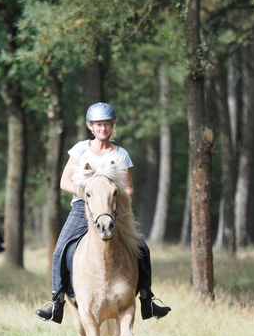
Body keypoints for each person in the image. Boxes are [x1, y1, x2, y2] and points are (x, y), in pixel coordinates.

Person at [35, 102, 171, 324]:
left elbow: (128, 189)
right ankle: (56, 301)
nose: (103, 129)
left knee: (142, 247)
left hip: (113, 209)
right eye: (98, 124)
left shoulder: (121, 154)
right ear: (91, 126)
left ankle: (148, 299)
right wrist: (88, 191)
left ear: (112, 126)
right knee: (60, 249)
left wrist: (111, 197)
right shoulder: (80, 149)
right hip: (83, 206)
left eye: (107, 124)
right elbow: (63, 181)